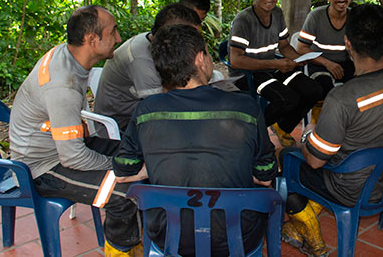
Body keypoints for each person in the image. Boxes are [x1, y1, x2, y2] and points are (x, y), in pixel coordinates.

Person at [113, 24, 277, 256]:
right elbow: (265, 175)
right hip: (237, 237)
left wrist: (155, 166)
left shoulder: (147, 111)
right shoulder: (245, 107)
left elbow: (122, 170)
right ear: (201, 59)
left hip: (170, 237)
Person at [280, 4, 383, 256]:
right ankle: (296, 228)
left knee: (286, 158)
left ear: (347, 43)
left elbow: (315, 160)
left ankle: (308, 230)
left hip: (350, 190)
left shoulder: (342, 98)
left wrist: (306, 135)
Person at [8, 6, 141, 256]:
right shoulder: (62, 85)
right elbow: (72, 157)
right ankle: (123, 251)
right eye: (113, 32)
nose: (119, 38)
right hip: (42, 167)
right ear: (92, 40)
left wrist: (125, 163)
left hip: (64, 148)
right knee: (124, 192)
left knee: (136, 153)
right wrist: (118, 167)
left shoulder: (69, 57)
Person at [229, 0, 323, 147]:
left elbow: (284, 46)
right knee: (288, 99)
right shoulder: (244, 20)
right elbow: (236, 61)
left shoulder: (277, 13)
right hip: (247, 75)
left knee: (314, 90)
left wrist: (298, 58)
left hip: (271, 69)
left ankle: (281, 127)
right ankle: (250, 134)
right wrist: (276, 63)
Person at [94, 3, 201, 131]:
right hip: (121, 124)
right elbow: (160, 110)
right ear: (172, 35)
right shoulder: (142, 60)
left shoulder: (159, 43)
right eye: (190, 37)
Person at [296, 0, 355, 96]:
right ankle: (323, 114)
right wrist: (327, 63)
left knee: (362, 85)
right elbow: (301, 48)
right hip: (320, 64)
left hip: (345, 64)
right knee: (323, 87)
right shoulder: (315, 16)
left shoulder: (355, 16)